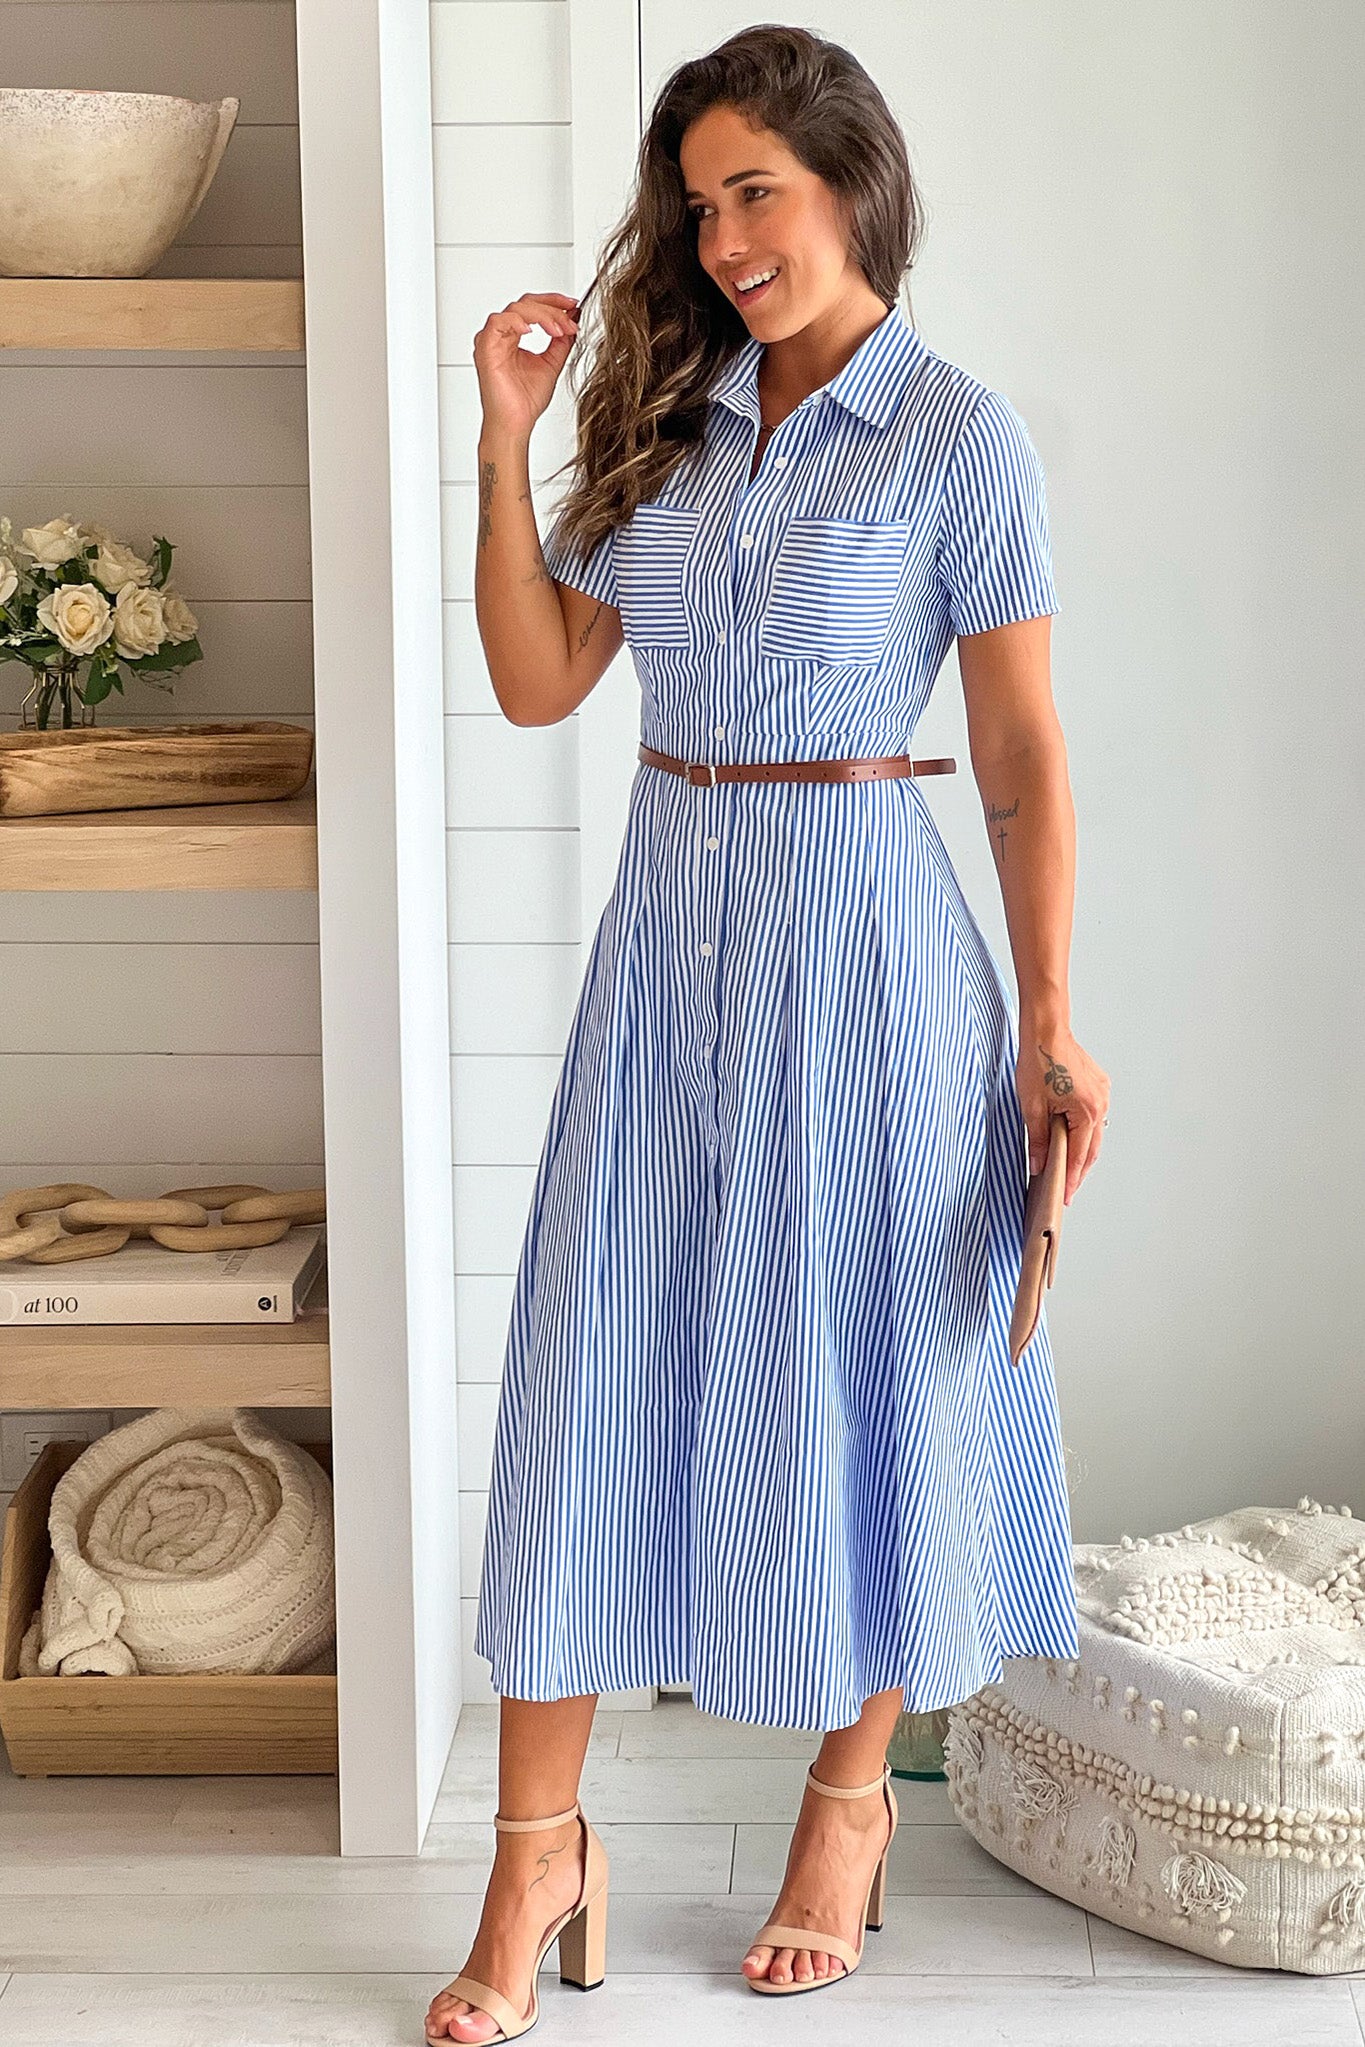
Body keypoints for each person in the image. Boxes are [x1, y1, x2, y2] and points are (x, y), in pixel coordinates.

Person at [426, 22, 1111, 2043]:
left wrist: (1051, 1015)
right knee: (583, 1379)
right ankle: (533, 1855)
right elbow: (543, 678)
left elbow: (1014, 749)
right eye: (698, 200)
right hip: (668, 949)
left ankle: (842, 1802)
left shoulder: (954, 435)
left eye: (760, 192)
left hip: (876, 953)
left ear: (851, 186)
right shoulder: (661, 414)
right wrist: (503, 435)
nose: (726, 239)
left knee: (873, 1367)